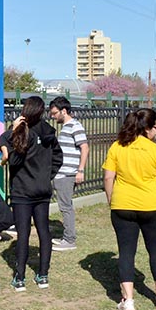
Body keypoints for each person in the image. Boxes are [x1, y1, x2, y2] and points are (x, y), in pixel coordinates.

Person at [103, 108, 156, 310]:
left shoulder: (117, 147)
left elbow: (108, 178)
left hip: (122, 205)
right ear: (147, 128)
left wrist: (112, 199)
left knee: (126, 252)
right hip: (152, 206)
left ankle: (128, 300)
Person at [0, 96, 63, 291]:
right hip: (42, 190)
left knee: (23, 233)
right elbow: (58, 158)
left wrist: (12, 130)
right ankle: (43, 275)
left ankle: (19, 278)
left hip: (22, 192)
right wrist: (46, 176)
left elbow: (14, 160)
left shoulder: (21, 133)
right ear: (42, 111)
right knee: (44, 232)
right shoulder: (49, 133)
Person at [49, 96, 89, 251]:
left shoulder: (74, 126)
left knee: (66, 206)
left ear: (63, 111)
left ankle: (69, 240)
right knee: (65, 205)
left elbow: (84, 147)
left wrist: (80, 170)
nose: (53, 116)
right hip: (62, 173)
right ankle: (67, 236)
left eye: (54, 113)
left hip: (68, 173)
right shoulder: (67, 127)